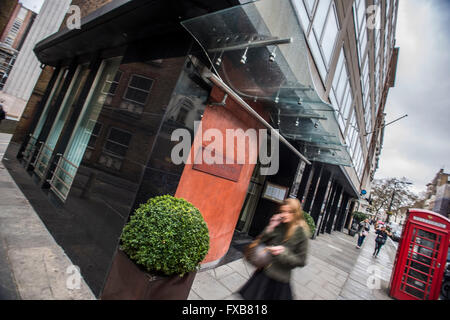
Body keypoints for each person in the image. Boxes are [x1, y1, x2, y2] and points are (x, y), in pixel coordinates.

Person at [239, 198, 309, 300]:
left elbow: (301, 261)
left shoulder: (301, 234)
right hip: (263, 273)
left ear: (296, 213)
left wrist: (283, 252)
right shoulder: (279, 224)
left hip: (280, 280)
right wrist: (270, 227)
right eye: (282, 211)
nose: (284, 215)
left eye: (288, 212)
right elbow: (260, 241)